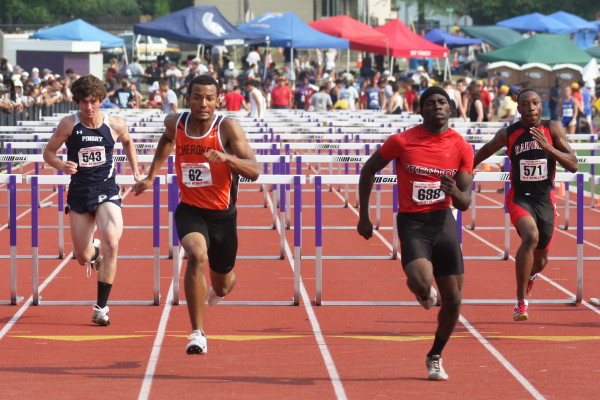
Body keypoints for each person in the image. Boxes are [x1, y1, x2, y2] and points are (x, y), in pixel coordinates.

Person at [133, 75, 260, 355]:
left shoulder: (227, 127)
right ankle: (197, 333)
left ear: (218, 101)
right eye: (197, 97)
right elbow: (167, 140)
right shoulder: (175, 123)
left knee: (223, 286)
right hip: (190, 210)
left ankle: (217, 288)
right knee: (196, 255)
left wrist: (227, 158)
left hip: (223, 216)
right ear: (188, 99)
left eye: (209, 98)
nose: (203, 103)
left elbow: (254, 170)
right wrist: (151, 176)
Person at [357, 86, 474, 381]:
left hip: (444, 223)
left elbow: (465, 203)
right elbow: (368, 170)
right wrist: (364, 216)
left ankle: (435, 355)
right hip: (413, 223)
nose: (437, 106)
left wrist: (453, 190)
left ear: (451, 109)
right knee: (421, 283)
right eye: (430, 103)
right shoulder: (401, 141)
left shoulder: (462, 146)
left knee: (454, 300)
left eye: (442, 102)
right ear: (421, 110)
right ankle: (424, 293)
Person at [42, 74, 141, 326]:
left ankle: (101, 308)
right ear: (77, 102)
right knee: (82, 257)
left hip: (107, 189)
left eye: (93, 101)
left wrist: (136, 172)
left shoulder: (115, 124)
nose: (89, 107)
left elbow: (128, 142)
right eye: (84, 102)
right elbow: (48, 152)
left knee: (112, 242)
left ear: (100, 100)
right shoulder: (69, 124)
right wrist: (62, 165)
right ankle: (95, 251)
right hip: (79, 192)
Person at [473, 89, 578, 321]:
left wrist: (548, 147)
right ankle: (521, 302)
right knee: (530, 237)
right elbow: (487, 149)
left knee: (541, 261)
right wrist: (468, 166)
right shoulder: (508, 133)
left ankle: (531, 276)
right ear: (518, 108)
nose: (531, 108)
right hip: (520, 197)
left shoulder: (553, 129)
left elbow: (573, 164)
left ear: (541, 106)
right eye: (525, 104)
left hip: (545, 200)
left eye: (535, 103)